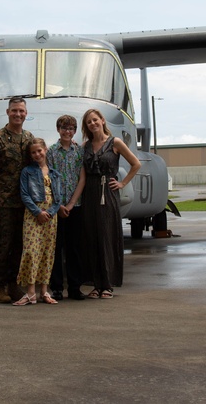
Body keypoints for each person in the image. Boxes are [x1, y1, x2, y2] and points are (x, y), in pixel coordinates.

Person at [80, 108, 141, 299]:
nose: (93, 124)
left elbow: (135, 164)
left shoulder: (115, 143)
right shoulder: (85, 146)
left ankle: (107, 284)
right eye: (89, 122)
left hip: (108, 192)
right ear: (86, 126)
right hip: (89, 193)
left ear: (102, 120)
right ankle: (95, 284)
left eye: (95, 120)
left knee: (107, 236)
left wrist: (122, 183)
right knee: (92, 238)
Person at [0, 96, 33, 304]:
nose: (18, 114)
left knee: (19, 246)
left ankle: (13, 285)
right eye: (14, 111)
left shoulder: (29, 138)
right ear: (7, 112)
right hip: (2, 202)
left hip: (24, 202)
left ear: (26, 113)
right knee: (2, 246)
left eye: (21, 111)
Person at [13, 138, 63, 306]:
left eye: (39, 151)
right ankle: (30, 292)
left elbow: (58, 197)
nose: (37, 154)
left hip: (50, 217)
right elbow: (25, 194)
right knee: (31, 251)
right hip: (34, 215)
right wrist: (37, 212)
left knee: (47, 252)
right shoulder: (27, 172)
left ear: (45, 150)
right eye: (33, 152)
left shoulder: (54, 174)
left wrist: (50, 212)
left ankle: (44, 291)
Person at [47, 114, 87, 300]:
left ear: (75, 131)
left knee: (75, 248)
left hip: (75, 206)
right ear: (58, 129)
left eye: (71, 129)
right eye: (64, 128)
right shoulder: (52, 152)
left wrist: (71, 204)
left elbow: (82, 178)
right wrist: (60, 204)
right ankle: (56, 287)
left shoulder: (79, 152)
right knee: (56, 247)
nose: (67, 132)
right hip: (57, 206)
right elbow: (49, 179)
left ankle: (74, 286)